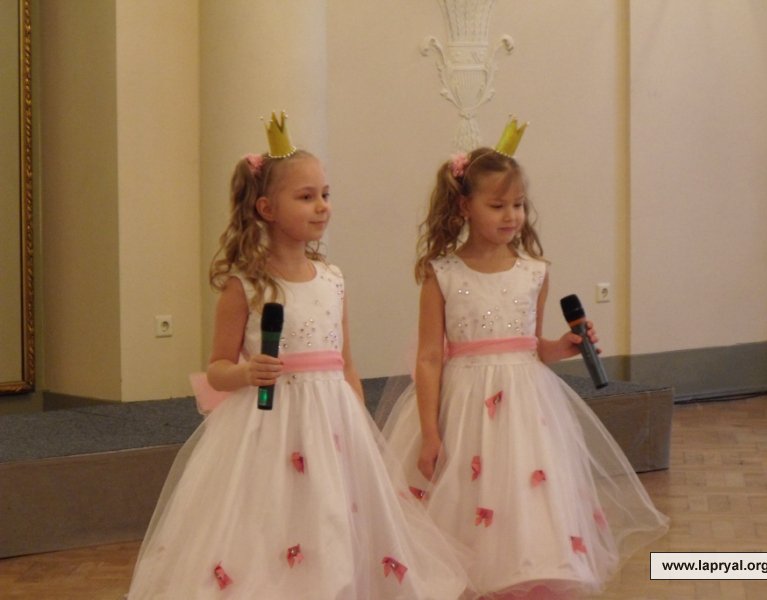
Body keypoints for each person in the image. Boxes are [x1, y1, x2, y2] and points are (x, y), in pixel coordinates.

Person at [128, 112, 471, 599]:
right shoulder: (244, 285)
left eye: (325, 194)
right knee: (275, 516)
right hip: (268, 428)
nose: (322, 206)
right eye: (306, 197)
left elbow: (345, 364)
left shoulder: (332, 279)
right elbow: (217, 369)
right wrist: (247, 371)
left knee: (332, 515)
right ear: (266, 207)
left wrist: (360, 426)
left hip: (333, 423)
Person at [381, 118, 668, 599]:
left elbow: (530, 346)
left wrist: (562, 346)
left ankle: (522, 577)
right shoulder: (442, 273)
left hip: (525, 411)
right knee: (468, 500)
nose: (511, 216)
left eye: (517, 205)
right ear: (464, 206)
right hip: (464, 409)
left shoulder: (534, 272)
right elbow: (429, 358)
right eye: (497, 206)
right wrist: (430, 432)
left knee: (523, 501)